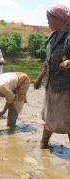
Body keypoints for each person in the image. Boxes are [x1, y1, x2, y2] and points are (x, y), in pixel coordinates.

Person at [34, 4, 70, 149]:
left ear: (58, 19)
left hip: (66, 86)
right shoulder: (51, 37)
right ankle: (43, 144)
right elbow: (48, 61)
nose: (47, 22)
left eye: (49, 19)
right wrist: (40, 77)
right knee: (50, 115)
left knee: (68, 118)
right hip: (52, 83)